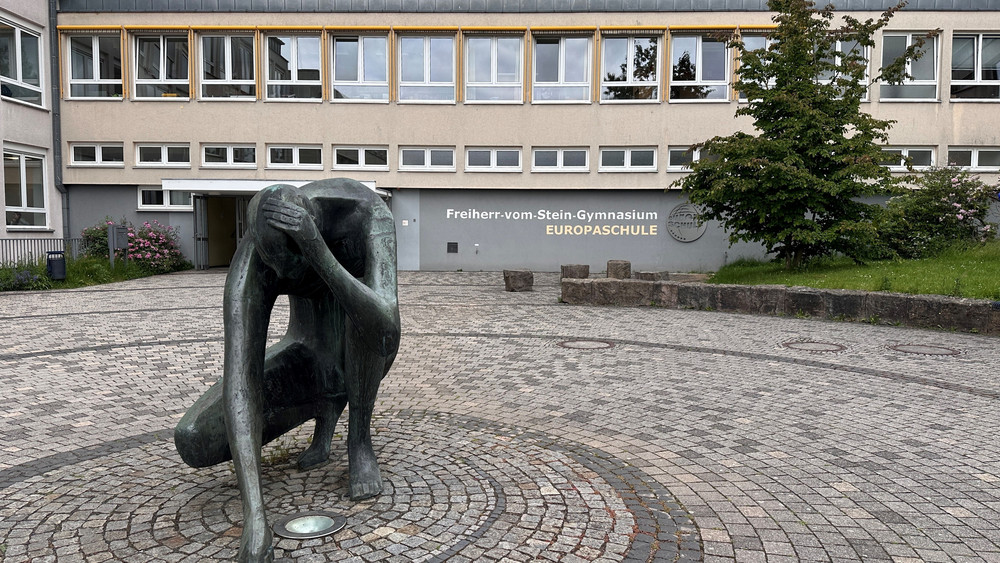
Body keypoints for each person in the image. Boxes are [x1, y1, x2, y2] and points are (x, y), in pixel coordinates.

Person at [174, 178, 400, 562]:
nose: (282, 273)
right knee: (194, 439)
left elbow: (386, 332)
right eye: (276, 264)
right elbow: (240, 382)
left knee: (363, 320)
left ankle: (358, 440)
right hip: (308, 356)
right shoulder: (253, 260)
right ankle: (324, 406)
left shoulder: (368, 215)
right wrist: (255, 516)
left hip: (363, 354)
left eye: (291, 264)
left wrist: (318, 253)